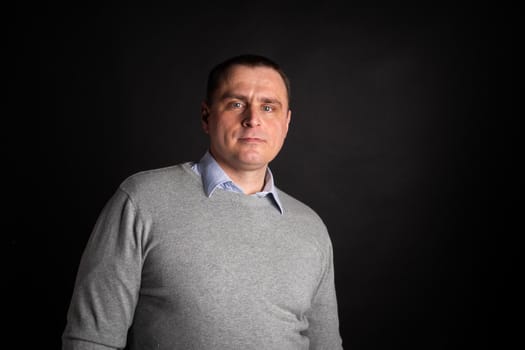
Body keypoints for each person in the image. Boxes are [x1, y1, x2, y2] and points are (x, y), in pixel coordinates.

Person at [62, 54, 343, 349]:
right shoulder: (143, 200)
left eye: (268, 107)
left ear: (286, 123)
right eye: (236, 104)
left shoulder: (310, 227)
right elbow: (91, 339)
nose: (253, 119)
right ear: (206, 116)